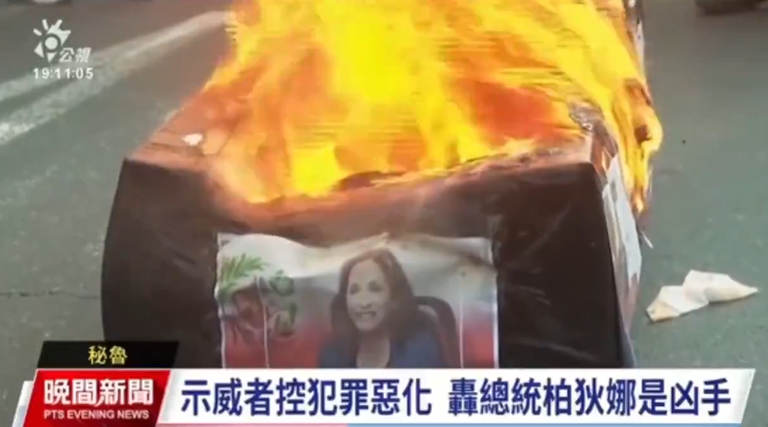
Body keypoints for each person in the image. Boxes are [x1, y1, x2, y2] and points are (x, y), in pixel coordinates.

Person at [318, 248, 454, 368]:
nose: (363, 303)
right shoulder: (332, 357)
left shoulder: (421, 351)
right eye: (354, 291)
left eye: (375, 289)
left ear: (394, 297)